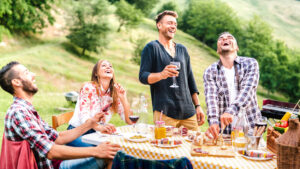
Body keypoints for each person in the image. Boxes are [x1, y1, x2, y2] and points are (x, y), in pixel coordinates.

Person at [0, 61, 121, 169]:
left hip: (53, 163)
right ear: (16, 82)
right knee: (110, 157)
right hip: (51, 165)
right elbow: (51, 151)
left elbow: (58, 138)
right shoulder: (19, 112)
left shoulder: (26, 109)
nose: (33, 75)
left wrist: (89, 124)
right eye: (27, 73)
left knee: (111, 153)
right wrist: (96, 151)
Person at [139, 10, 205, 131]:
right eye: (169, 23)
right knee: (165, 147)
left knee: (194, 147)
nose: (173, 26)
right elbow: (143, 77)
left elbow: (190, 79)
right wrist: (161, 75)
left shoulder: (182, 49)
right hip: (165, 113)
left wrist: (198, 106)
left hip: (188, 113)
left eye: (175, 24)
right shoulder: (151, 48)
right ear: (159, 25)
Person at [203, 32, 261, 139]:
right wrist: (213, 122)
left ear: (237, 47)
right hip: (225, 131)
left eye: (230, 38)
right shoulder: (210, 71)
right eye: (221, 38)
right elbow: (211, 99)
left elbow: (247, 90)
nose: (225, 39)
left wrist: (231, 111)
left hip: (250, 128)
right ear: (217, 49)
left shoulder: (251, 64)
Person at [67, 60, 132, 147]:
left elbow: (130, 121)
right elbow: (84, 118)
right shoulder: (88, 88)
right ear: (96, 73)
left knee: (117, 149)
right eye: (104, 65)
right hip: (76, 132)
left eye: (110, 66)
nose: (108, 67)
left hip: (97, 134)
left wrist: (124, 98)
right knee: (99, 152)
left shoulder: (115, 92)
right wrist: (100, 127)